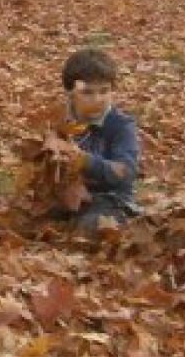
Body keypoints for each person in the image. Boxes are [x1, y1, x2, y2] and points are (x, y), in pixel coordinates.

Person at [45, 48, 141, 235]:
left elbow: (126, 171)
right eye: (87, 92)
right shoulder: (57, 120)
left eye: (104, 91)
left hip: (110, 200)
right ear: (71, 93)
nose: (97, 100)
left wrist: (85, 161)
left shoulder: (121, 125)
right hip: (65, 197)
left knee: (93, 227)